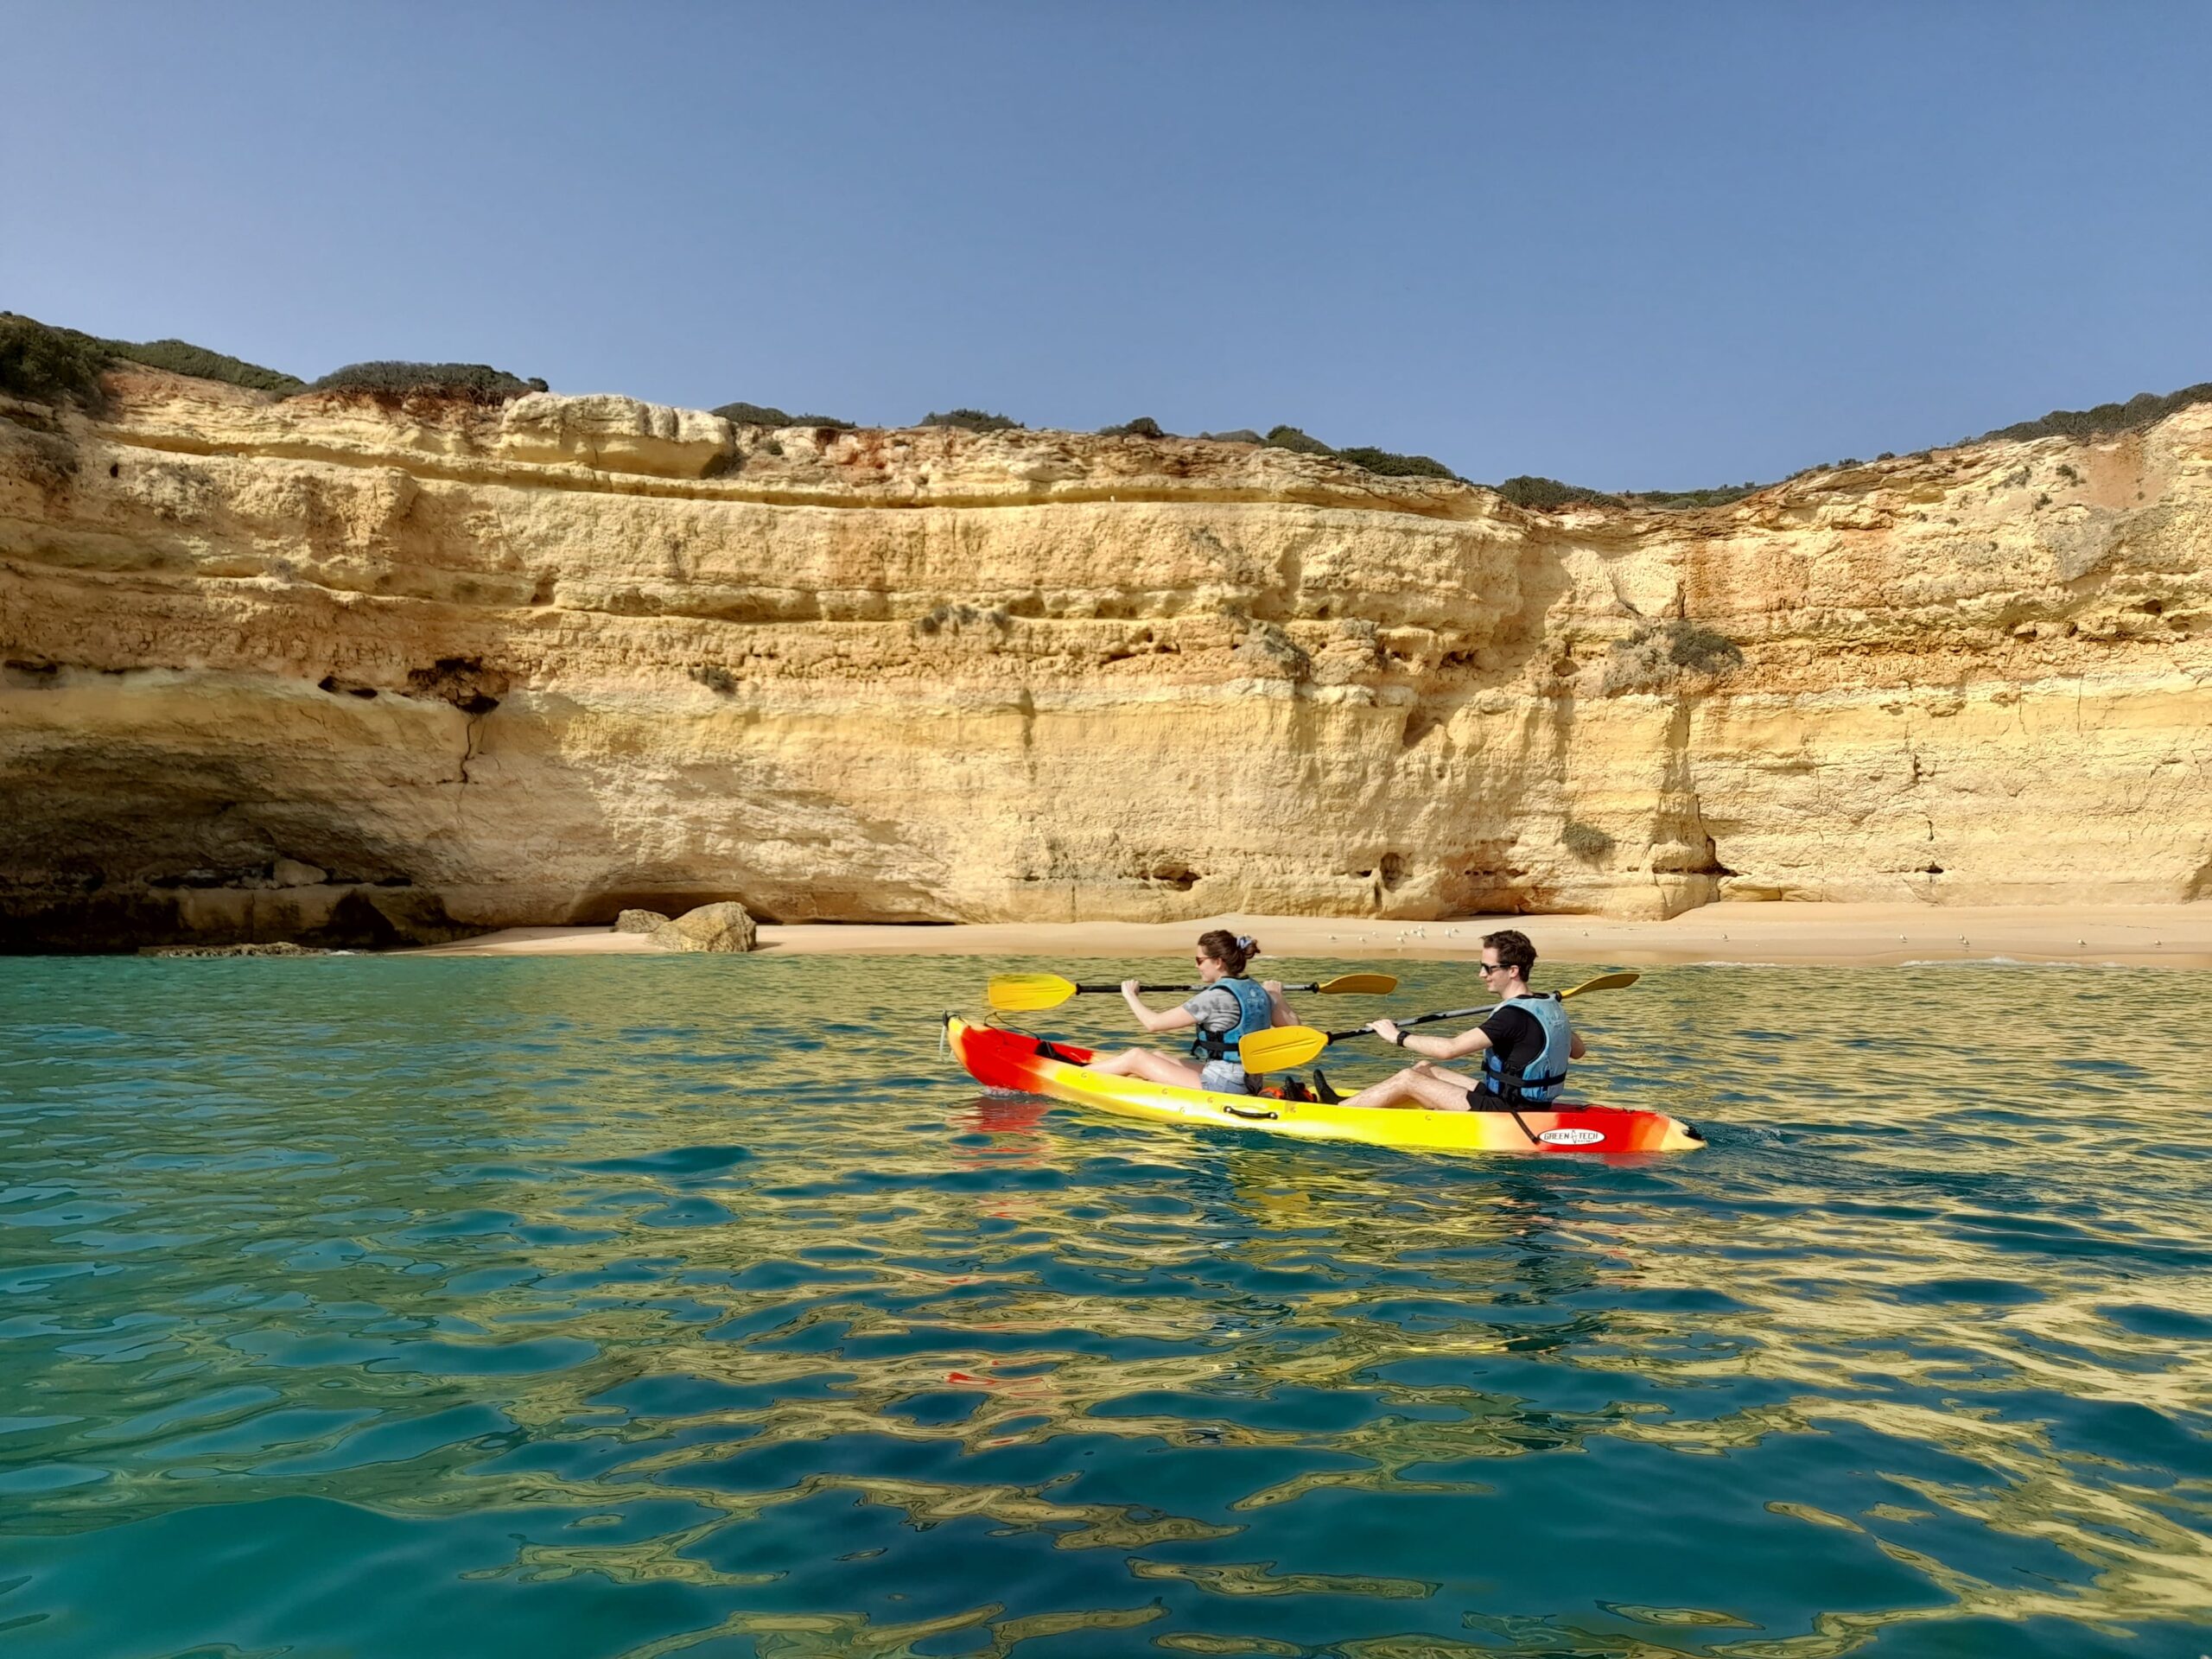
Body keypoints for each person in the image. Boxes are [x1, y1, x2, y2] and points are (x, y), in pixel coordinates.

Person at [1332, 929, 1585, 1112]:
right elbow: (1578, 1051)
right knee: (1424, 1069)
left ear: (1513, 971)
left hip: (1507, 1109)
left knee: (1408, 1078)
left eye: (1489, 968)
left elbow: (1449, 1050)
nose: (1481, 974)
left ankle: (1340, 1112)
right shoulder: (1548, 1005)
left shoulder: (1512, 1016)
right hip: (1521, 1100)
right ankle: (1358, 1104)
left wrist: (1397, 1036)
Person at [1087, 930, 1299, 1096]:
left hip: (1223, 1086)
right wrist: (1277, 997)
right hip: (1251, 1081)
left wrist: (1130, 995)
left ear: (1218, 962)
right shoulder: (1260, 992)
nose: (1196, 966)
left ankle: (1079, 1076)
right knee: (1158, 1057)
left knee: (1136, 1058)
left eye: (1199, 960)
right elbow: (1295, 1031)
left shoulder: (1214, 997)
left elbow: (1153, 1024)